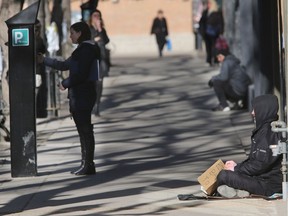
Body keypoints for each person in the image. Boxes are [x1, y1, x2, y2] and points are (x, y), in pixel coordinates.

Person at [38, 22, 101, 175]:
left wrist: (65, 83)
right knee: (83, 130)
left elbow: (82, 74)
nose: (70, 36)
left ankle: (88, 164)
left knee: (85, 130)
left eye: (72, 33)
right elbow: (65, 65)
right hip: (81, 94)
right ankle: (85, 163)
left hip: (82, 94)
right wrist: (44, 60)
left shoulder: (86, 50)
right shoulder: (83, 49)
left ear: (79, 33)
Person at [216, 94, 283, 198]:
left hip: (267, 185)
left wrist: (236, 168)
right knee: (226, 173)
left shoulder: (269, 134)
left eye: (255, 109)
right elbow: (254, 160)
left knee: (223, 175)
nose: (252, 113)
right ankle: (239, 191)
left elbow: (259, 164)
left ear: (263, 109)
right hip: (260, 179)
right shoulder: (265, 130)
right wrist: (236, 165)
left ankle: (238, 190)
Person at [89, 9, 110, 116]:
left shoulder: (102, 30)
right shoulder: (89, 29)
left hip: (101, 59)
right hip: (91, 60)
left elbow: (106, 41)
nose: (97, 18)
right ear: (91, 18)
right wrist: (94, 39)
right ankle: (92, 104)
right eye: (95, 16)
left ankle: (97, 104)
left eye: (99, 16)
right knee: (92, 84)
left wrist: (100, 28)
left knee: (99, 83)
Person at [199, 0, 224, 66]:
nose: (208, 5)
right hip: (206, 33)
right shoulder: (205, 12)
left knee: (215, 47)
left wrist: (221, 32)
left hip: (215, 34)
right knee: (208, 48)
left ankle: (216, 60)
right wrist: (202, 32)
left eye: (209, 3)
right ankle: (209, 60)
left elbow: (221, 23)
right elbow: (201, 22)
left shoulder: (217, 12)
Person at [35, 19, 48, 118]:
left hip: (37, 70)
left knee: (37, 92)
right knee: (36, 92)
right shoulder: (38, 39)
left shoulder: (38, 39)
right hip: (37, 70)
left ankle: (37, 111)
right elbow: (43, 50)